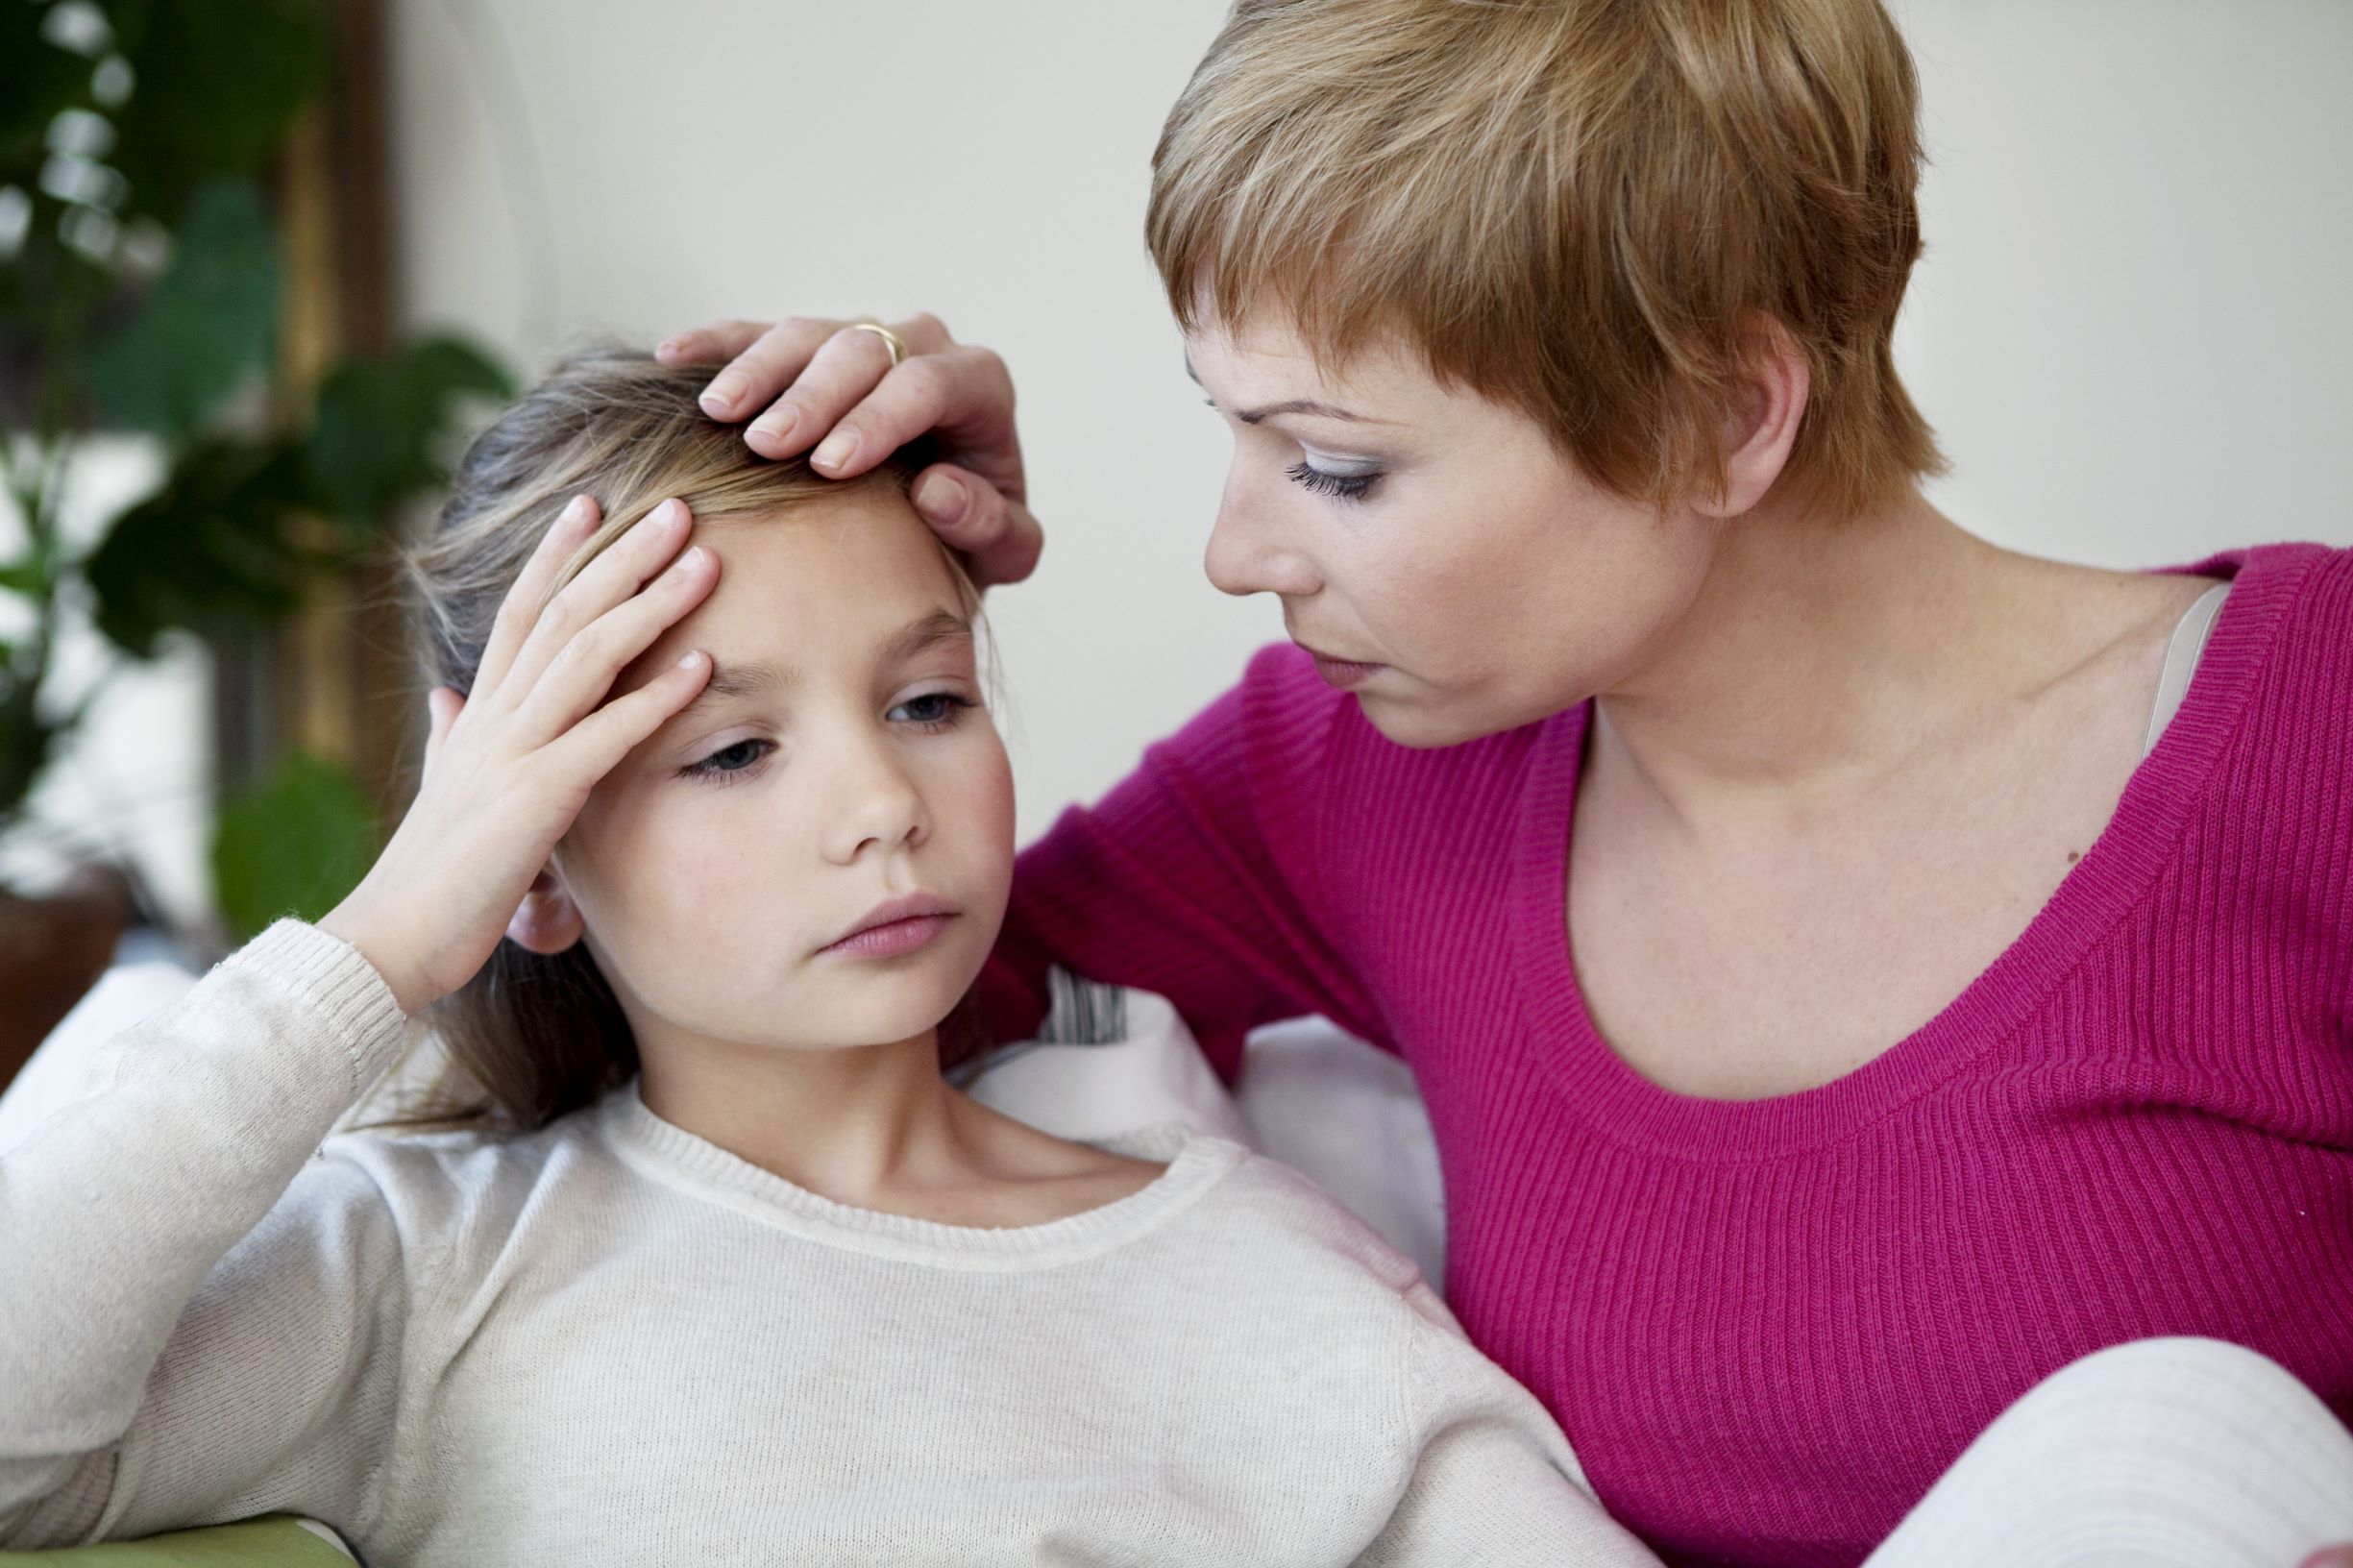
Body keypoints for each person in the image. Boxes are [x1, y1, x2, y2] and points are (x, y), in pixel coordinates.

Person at [652, 0, 2353, 1562]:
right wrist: (850, 573)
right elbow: (726, 1040)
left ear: (1721, 416)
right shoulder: (1360, 777)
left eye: (1332, 463)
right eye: (1229, 430)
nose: (1235, 550)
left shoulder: (2314, 733)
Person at [0, 350, 1662, 1566]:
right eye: (731, 752)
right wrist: (393, 928)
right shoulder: (424, 1267)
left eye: (927, 703)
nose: (881, 804)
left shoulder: (1261, 1277)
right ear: (537, 856)